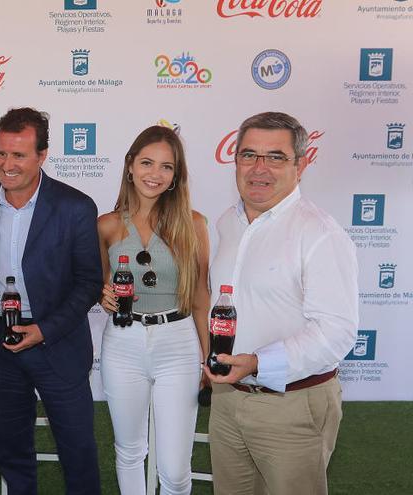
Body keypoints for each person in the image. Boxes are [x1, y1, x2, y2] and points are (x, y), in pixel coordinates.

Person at [204, 112, 358, 495]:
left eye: (275, 157)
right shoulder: (227, 222)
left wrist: (258, 363)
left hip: (293, 404)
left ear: (300, 165)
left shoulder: (320, 234)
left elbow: (336, 332)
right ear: (235, 159)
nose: (259, 168)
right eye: (248, 155)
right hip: (226, 400)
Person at [0, 107, 102, 494]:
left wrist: (44, 330)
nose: (6, 165)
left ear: (42, 156)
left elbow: (89, 282)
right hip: (1, 343)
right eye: (0, 154)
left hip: (57, 344)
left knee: (77, 450)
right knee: (12, 450)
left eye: (19, 155)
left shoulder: (75, 207)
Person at [97, 126, 210, 494]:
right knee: (129, 452)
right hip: (122, 343)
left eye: (166, 167)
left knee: (175, 469)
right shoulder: (107, 225)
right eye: (147, 162)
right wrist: (101, 293)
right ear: (130, 166)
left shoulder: (193, 224)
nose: (154, 174)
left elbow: (199, 296)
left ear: (176, 176)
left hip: (177, 343)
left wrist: (209, 359)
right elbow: (97, 283)